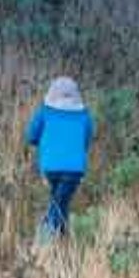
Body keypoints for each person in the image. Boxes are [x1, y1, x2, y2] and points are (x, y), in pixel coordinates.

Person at [24, 76, 94, 240]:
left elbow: (31, 136)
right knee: (60, 203)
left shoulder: (44, 112)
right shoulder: (84, 115)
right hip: (74, 170)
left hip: (50, 168)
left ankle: (48, 245)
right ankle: (53, 242)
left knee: (58, 203)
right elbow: (87, 138)